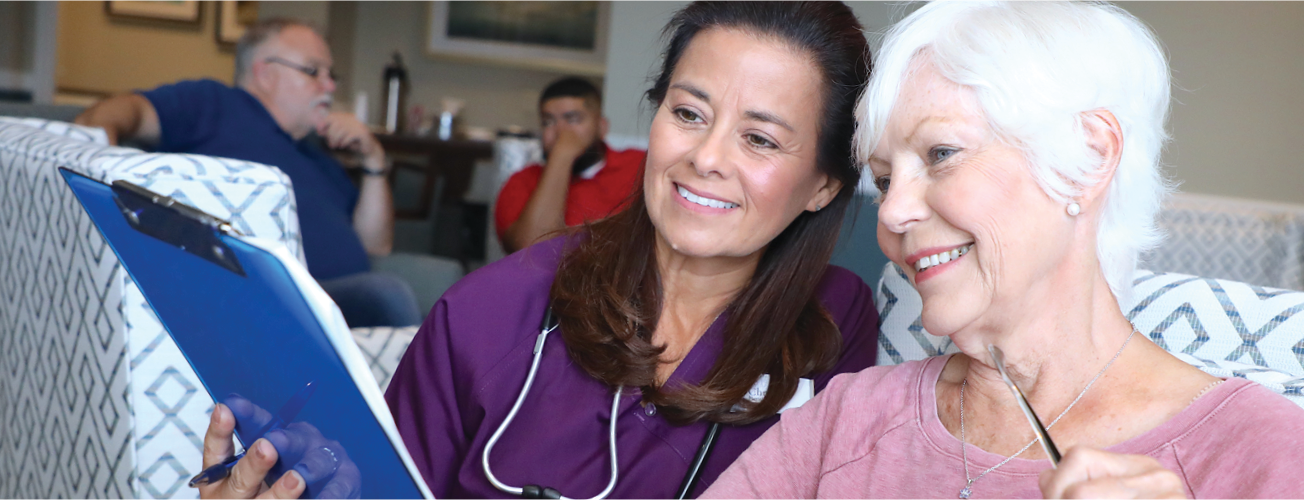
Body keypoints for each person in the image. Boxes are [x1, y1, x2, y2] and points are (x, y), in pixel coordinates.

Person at [194, 0, 877, 498]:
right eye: (689, 113)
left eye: (759, 138)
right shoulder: (491, 312)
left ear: (822, 183)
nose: (705, 158)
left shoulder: (832, 324)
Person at [701, 1, 1304, 499]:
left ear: (1088, 159)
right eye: (887, 177)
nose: (893, 212)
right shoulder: (851, 417)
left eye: (941, 155)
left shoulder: (1256, 450)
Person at [74, 18, 418, 328]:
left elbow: (377, 247)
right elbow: (125, 110)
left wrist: (374, 161)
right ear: (265, 74)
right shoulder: (215, 105)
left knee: (387, 294)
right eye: (315, 72)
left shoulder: (322, 158)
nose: (330, 87)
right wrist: (98, 144)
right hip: (262, 301)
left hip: (342, 304)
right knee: (385, 295)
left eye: (331, 76)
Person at [494, 77, 646, 253]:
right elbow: (531, 255)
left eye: (573, 119)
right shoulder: (521, 183)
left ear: (601, 127)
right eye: (548, 122)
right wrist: (562, 157)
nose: (560, 133)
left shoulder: (639, 166)